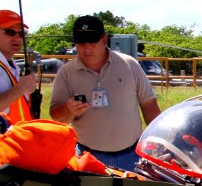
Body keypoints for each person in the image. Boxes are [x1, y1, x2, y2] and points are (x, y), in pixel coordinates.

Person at [49, 16, 161, 171]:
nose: (86, 49)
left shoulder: (129, 65)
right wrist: (68, 110)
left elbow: (148, 104)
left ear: (104, 39)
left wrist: (160, 141)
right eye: (81, 43)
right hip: (88, 158)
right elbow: (56, 116)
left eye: (92, 42)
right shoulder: (66, 73)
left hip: (132, 155)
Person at [0, 9, 37, 123]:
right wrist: (20, 89)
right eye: (10, 32)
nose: (18, 38)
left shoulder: (6, 63)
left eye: (21, 33)